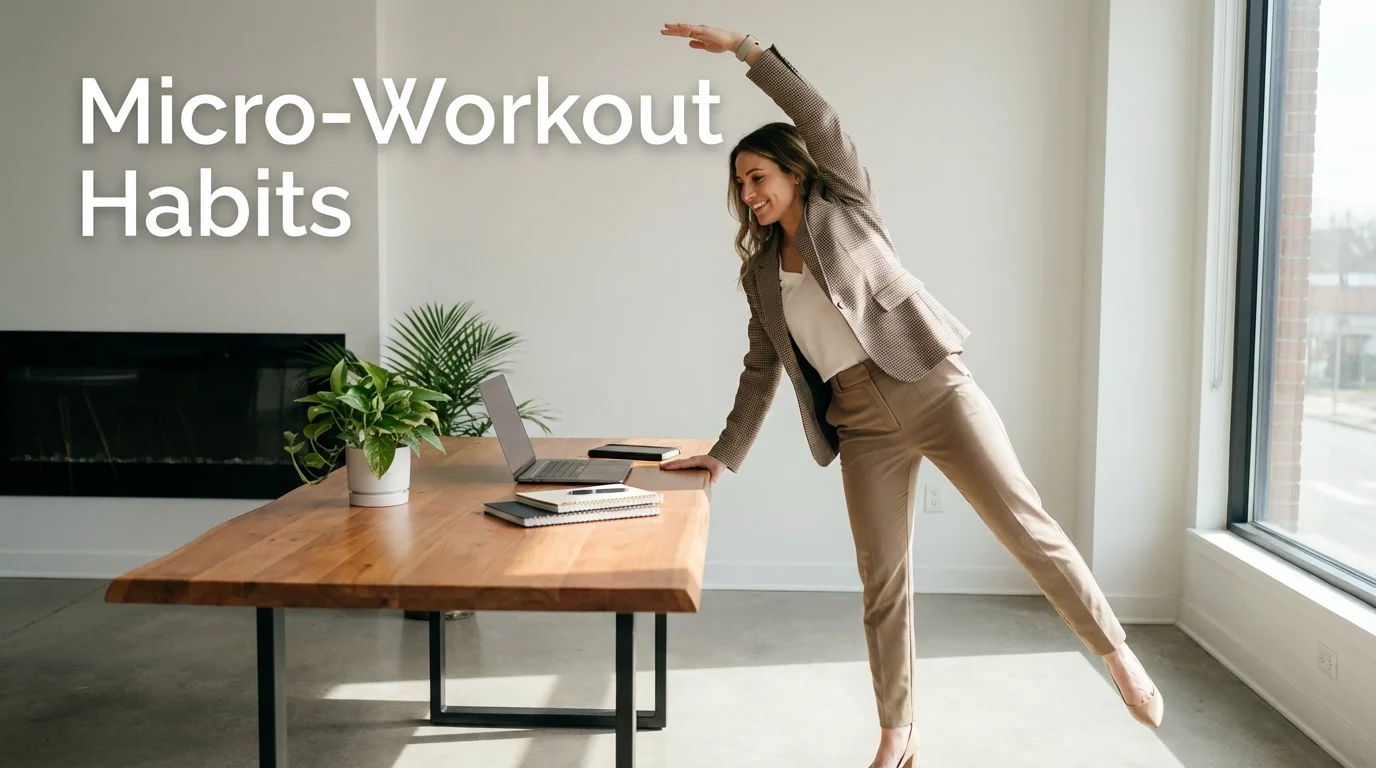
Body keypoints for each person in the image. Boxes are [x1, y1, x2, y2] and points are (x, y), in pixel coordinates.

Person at [657, 22, 1164, 768]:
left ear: (795, 173)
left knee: (1026, 526)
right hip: (861, 425)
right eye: (740, 184)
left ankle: (1116, 652)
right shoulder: (761, 273)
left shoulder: (847, 205)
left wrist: (746, 50)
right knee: (882, 579)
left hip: (931, 383)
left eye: (758, 176)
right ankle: (899, 731)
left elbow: (821, 118)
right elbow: (761, 367)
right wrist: (721, 457)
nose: (749, 193)